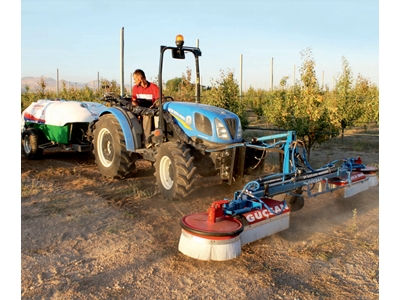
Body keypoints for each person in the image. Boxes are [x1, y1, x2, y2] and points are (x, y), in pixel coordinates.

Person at [131, 69, 160, 148]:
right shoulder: (135, 88)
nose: (134, 81)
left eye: (135, 79)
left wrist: (155, 105)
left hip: (151, 110)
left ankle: (151, 140)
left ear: (140, 78)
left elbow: (160, 100)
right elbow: (133, 101)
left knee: (149, 115)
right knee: (144, 115)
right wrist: (135, 103)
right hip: (139, 110)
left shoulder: (153, 87)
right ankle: (146, 142)